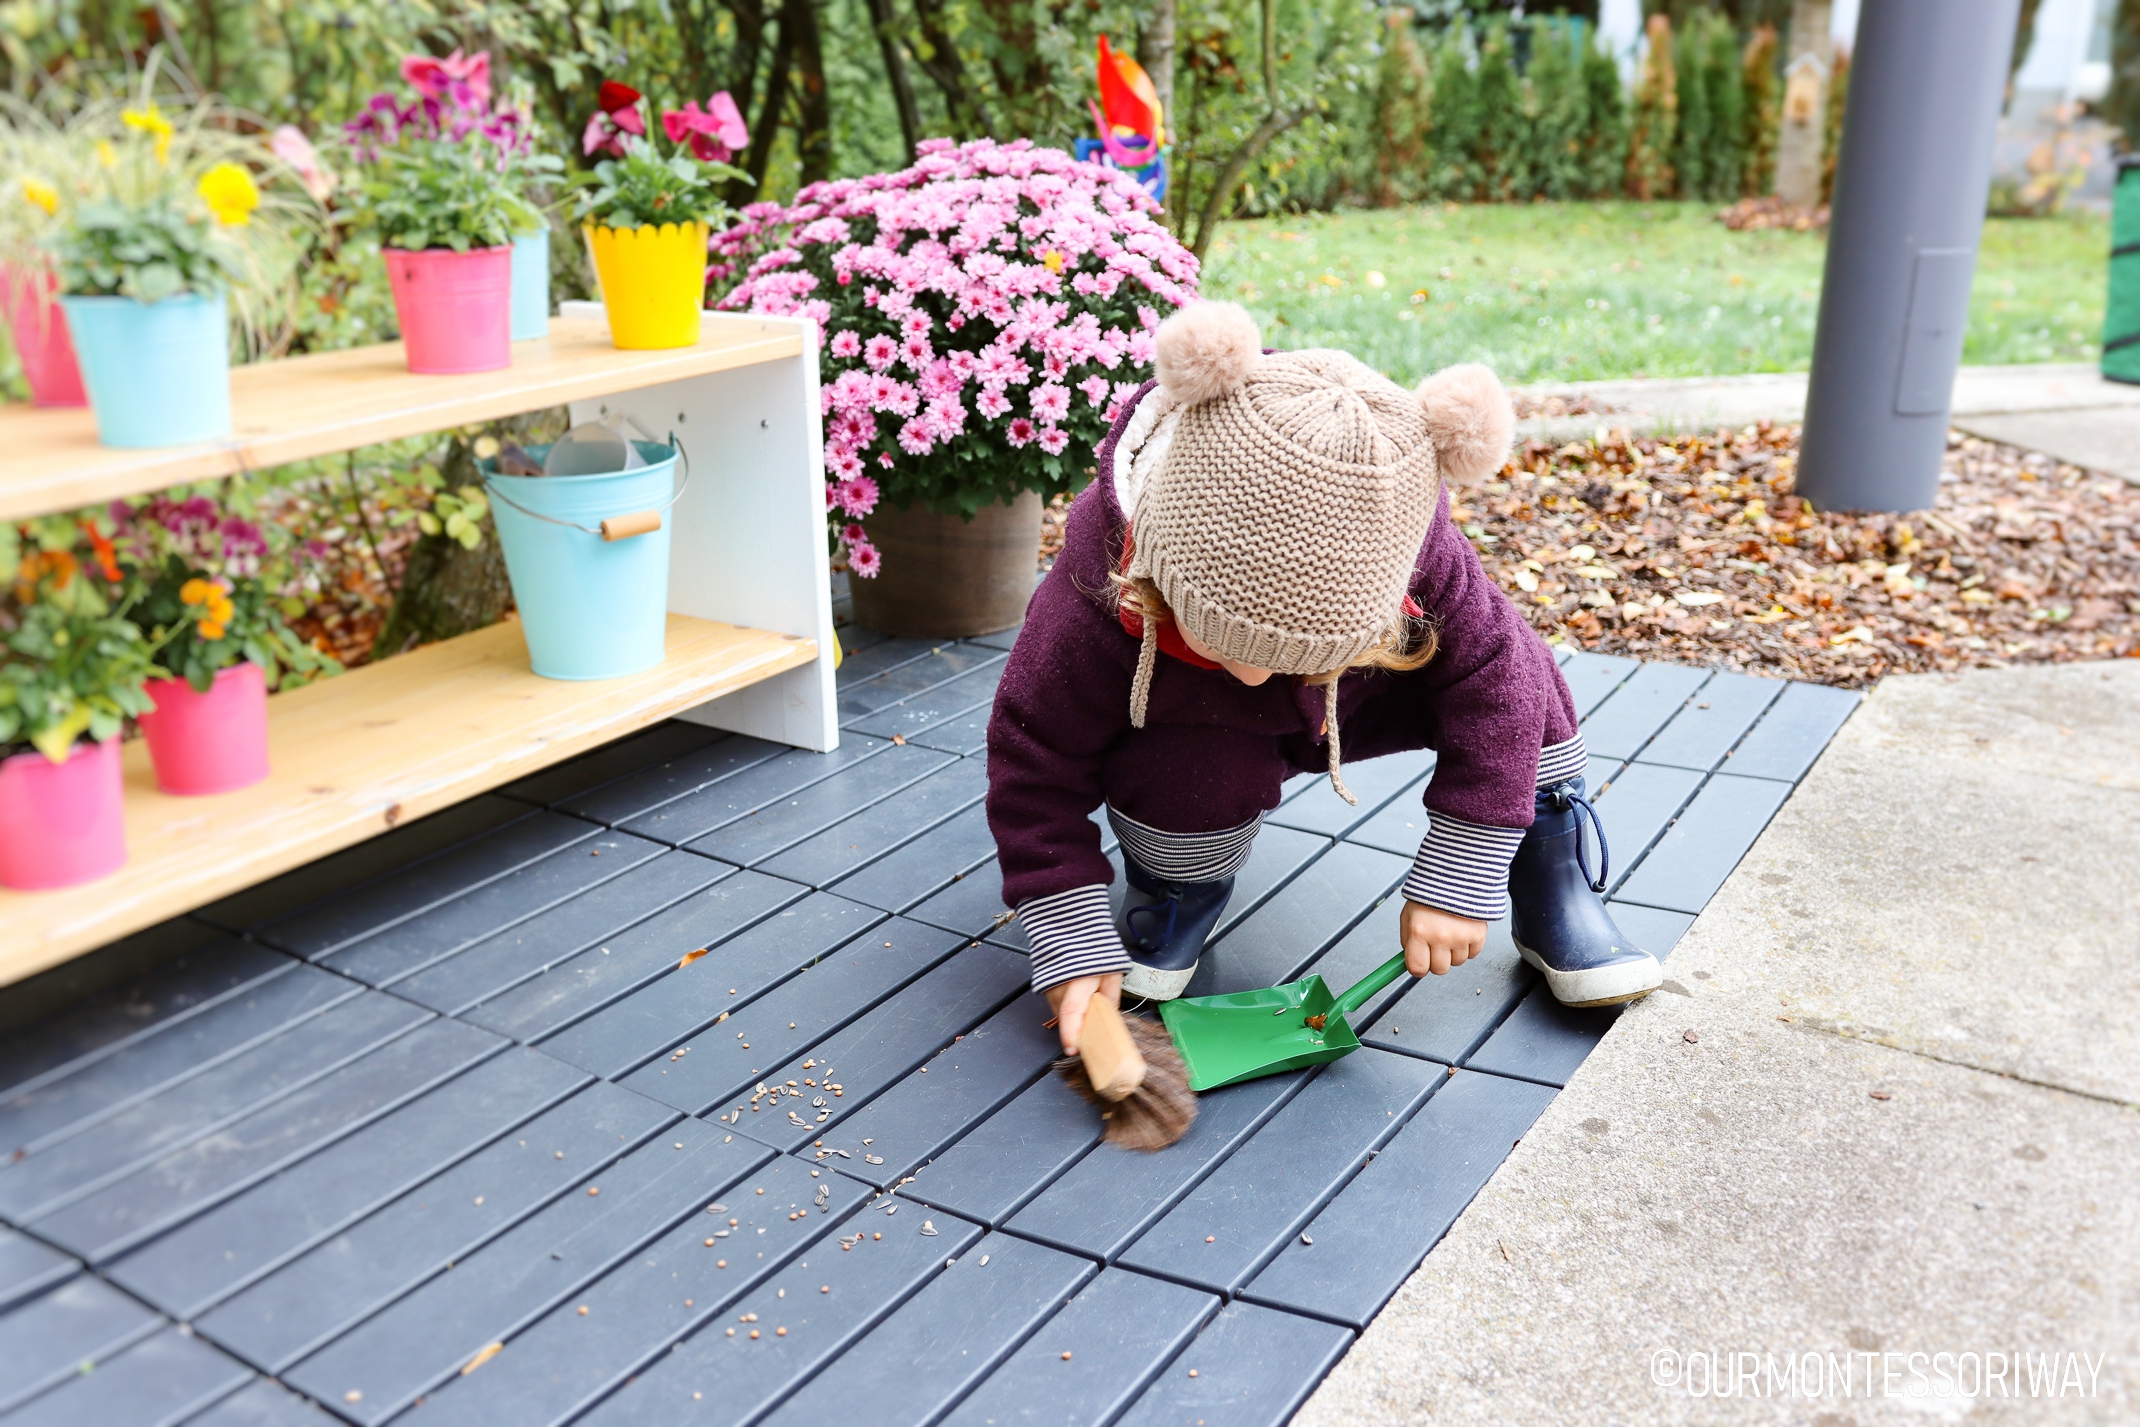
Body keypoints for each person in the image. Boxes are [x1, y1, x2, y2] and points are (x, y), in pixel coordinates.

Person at [985, 301, 1662, 1055]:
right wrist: (1071, 937)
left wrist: (1460, 868)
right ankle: (1181, 884)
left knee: (1520, 678)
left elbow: (1491, 679)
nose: (1253, 673)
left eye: (1286, 653)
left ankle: (1550, 868)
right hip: (1189, 724)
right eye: (1218, 638)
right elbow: (1033, 763)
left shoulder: (1406, 539)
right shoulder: (1096, 586)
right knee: (1180, 779)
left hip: (1363, 693)